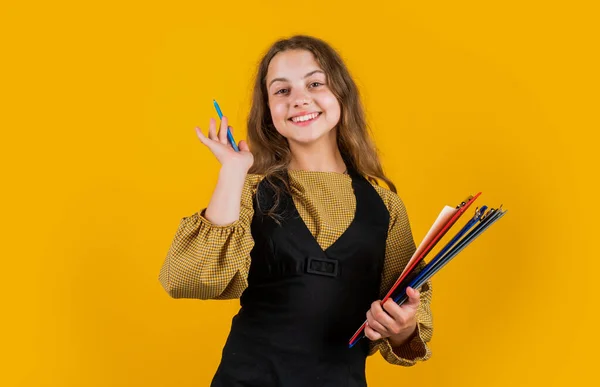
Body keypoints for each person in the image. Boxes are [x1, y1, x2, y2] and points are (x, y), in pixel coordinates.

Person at [159, 35, 433, 387]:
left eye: (315, 83)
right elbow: (189, 279)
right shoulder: (248, 189)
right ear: (269, 111)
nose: (300, 99)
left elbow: (409, 314)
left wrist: (403, 327)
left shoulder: (385, 206)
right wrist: (232, 171)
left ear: (341, 94)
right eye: (281, 91)